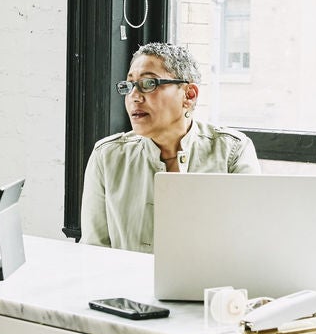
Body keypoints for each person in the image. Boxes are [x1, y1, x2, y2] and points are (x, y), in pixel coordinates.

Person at [80, 40, 258, 252]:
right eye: (128, 86)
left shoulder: (232, 152)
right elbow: (93, 251)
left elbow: (248, 243)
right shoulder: (107, 156)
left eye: (149, 84)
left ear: (189, 95)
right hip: (125, 284)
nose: (134, 97)